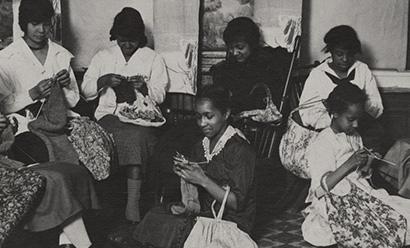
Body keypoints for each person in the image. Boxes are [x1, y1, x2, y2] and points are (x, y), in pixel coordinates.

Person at [81, 7, 169, 223]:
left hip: (142, 119)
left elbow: (160, 95)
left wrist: (145, 87)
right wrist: (103, 82)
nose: (127, 45)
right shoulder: (103, 57)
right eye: (122, 39)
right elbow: (85, 91)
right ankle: (106, 205)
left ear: (141, 38)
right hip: (109, 117)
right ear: (115, 36)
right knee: (111, 138)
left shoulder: (152, 58)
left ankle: (132, 203)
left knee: (138, 138)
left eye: (133, 40)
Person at [302, 82, 410, 247]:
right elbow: (319, 190)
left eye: (358, 119)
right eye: (351, 119)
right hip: (334, 198)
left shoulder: (354, 135)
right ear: (335, 113)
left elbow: (360, 174)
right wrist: (348, 164)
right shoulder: (323, 142)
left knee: (401, 213)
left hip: (360, 191)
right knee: (380, 228)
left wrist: (367, 164)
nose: (356, 125)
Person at [0, 113, 99, 248]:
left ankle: (67, 243)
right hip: (6, 173)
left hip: (8, 166)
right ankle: (85, 245)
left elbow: (4, 147)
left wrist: (6, 128)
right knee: (54, 180)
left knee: (73, 171)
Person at [0, 0, 80, 163]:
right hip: (25, 126)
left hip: (61, 122)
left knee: (87, 148)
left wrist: (65, 87)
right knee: (37, 151)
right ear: (23, 24)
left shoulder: (61, 55)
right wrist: (32, 94)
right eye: (35, 24)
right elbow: (4, 106)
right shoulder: (7, 58)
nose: (41, 30)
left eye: (46, 24)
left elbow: (73, 101)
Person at [173, 85, 256, 233]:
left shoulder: (240, 150)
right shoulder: (201, 145)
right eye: (198, 117)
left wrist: (203, 180)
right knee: (156, 218)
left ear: (226, 114)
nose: (202, 123)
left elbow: (237, 204)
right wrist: (185, 170)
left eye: (209, 116)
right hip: (206, 212)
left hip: (232, 222)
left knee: (173, 230)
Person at [298, 25, 385, 152]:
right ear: (331, 51)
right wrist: (335, 121)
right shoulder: (318, 74)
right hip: (329, 131)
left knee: (377, 138)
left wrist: (356, 114)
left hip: (361, 126)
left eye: (350, 55)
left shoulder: (362, 70)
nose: (345, 59)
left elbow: (377, 105)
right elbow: (305, 112)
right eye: (339, 54)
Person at [210, 17, 291, 115]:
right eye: (231, 48)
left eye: (240, 47)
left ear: (252, 44)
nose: (235, 53)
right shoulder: (227, 67)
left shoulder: (267, 63)